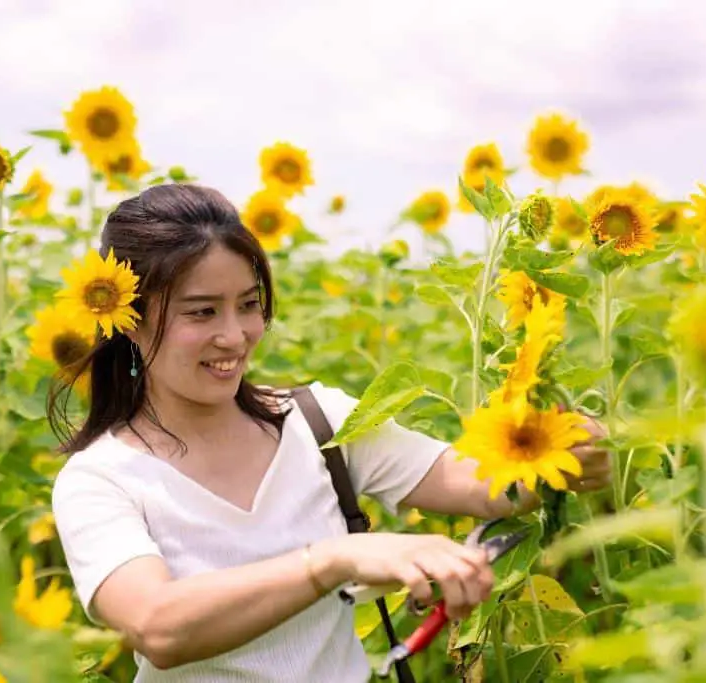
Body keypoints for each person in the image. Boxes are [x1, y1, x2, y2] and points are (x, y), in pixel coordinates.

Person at [48, 184, 611, 682]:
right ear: (128, 320)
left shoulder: (319, 423)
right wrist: (334, 560)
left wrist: (562, 449)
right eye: (201, 313)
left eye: (248, 306)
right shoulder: (101, 479)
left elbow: (478, 485)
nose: (235, 335)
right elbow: (159, 627)